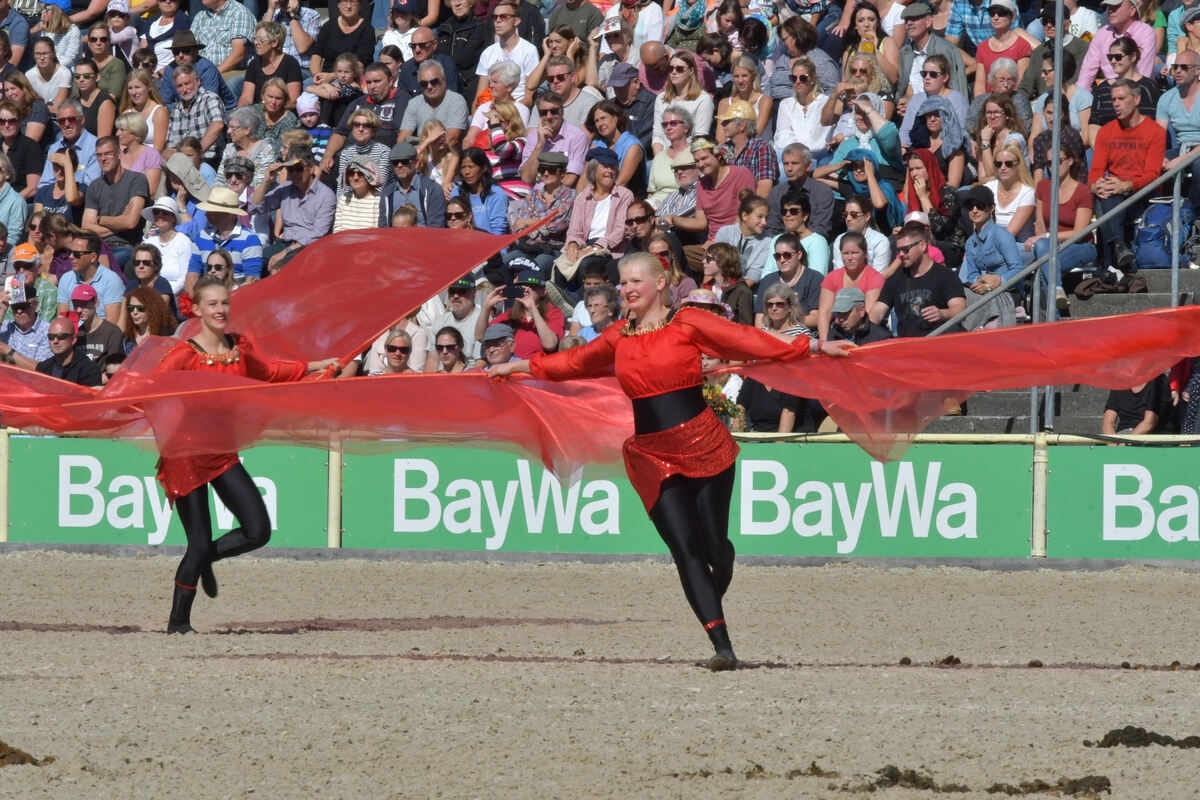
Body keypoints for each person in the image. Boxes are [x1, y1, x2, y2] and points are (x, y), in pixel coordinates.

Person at [488, 251, 853, 670]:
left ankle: (724, 559)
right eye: (622, 282)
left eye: (634, 281)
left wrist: (819, 347)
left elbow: (753, 342)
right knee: (685, 549)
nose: (625, 289)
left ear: (661, 283)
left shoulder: (689, 322)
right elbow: (571, 363)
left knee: (714, 545)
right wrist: (518, 366)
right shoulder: (618, 336)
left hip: (702, 443)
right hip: (651, 454)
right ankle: (722, 646)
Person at [154, 275, 337, 633]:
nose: (220, 309)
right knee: (198, 541)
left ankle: (205, 559)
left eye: (224, 303)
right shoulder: (183, 354)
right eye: (213, 304)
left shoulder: (239, 347)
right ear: (197, 309)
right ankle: (178, 623)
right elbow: (151, 387)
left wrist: (316, 366)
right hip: (186, 453)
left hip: (221, 452)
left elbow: (269, 372)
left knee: (258, 530)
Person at [1089, 78, 1167, 273]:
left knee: (1107, 202)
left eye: (1121, 99)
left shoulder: (1155, 131)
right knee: (1105, 196)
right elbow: (1096, 171)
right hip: (1115, 193)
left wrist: (1126, 185)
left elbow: (1152, 174)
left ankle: (1109, 263)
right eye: (1113, 99)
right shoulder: (1106, 132)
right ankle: (1119, 247)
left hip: (1143, 193)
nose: (1115, 104)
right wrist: (1096, 185)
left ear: (1137, 99)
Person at [248, 146, 334, 273]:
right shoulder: (285, 189)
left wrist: (286, 252)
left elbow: (318, 234)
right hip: (284, 243)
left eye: (298, 169)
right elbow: (255, 208)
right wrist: (267, 181)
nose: (294, 174)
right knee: (252, 264)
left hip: (309, 248)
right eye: (290, 170)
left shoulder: (326, 195)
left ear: (311, 168)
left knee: (278, 269)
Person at [871, 221, 964, 337]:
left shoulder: (945, 276)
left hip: (939, 341)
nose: (901, 254)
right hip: (908, 344)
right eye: (898, 250)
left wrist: (942, 313)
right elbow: (877, 312)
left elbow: (960, 308)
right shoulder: (895, 279)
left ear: (923, 246)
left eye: (905, 249)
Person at [562, 147, 632, 286]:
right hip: (584, 246)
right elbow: (575, 231)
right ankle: (564, 302)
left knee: (586, 266)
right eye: (604, 167)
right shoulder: (583, 197)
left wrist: (595, 248)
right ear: (593, 170)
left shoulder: (624, 195)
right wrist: (572, 245)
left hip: (609, 250)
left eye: (612, 167)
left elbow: (620, 230)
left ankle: (580, 300)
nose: (609, 171)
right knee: (560, 266)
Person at [957, 184, 1022, 329]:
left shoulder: (1001, 234)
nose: (974, 210)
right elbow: (972, 273)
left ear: (991, 208)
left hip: (1006, 291)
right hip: (982, 291)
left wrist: (999, 280)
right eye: (970, 206)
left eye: (980, 205)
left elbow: (1018, 269)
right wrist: (979, 281)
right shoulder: (970, 242)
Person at [82, 135, 149, 272]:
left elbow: (131, 222)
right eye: (99, 155)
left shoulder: (137, 180)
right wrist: (121, 223)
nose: (103, 158)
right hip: (99, 247)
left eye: (108, 153)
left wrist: (101, 219)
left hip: (127, 246)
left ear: (119, 154)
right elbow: (87, 228)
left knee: (103, 266)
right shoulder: (94, 186)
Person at [476, 269, 565, 357]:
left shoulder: (553, 313)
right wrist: (486, 307)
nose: (526, 290)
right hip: (510, 367)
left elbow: (550, 345)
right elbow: (480, 336)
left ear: (543, 292)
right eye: (522, 287)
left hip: (537, 367)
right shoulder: (511, 314)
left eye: (532, 287)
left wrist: (533, 310)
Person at [1077, 0, 1158, 88]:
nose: (1111, 10)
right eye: (1109, 6)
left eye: (1116, 6)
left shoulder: (1146, 32)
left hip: (1138, 90)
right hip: (1109, 90)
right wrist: (1080, 95)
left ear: (1132, 10)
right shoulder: (1102, 33)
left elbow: (1143, 73)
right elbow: (1087, 71)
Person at [517, 90, 587, 189]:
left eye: (554, 111)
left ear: (562, 111)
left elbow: (569, 179)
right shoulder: (533, 137)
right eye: (543, 112)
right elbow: (527, 178)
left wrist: (542, 188)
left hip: (562, 197)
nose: (549, 116)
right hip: (536, 197)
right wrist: (539, 145)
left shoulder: (577, 137)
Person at [774, 57, 833, 166]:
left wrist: (801, 153)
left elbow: (819, 140)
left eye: (803, 78)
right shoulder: (785, 104)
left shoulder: (825, 103)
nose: (797, 82)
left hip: (816, 156)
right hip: (789, 154)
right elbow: (783, 135)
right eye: (793, 78)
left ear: (813, 79)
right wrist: (798, 152)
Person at [396, 61, 469, 150]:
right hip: (420, 157)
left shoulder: (456, 101)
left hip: (447, 156)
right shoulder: (414, 103)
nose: (429, 86)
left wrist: (421, 150)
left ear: (444, 81)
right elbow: (402, 138)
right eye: (424, 84)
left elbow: (452, 140)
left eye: (434, 81)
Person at [164, 64, 227, 161]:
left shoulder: (209, 99)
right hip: (184, 165)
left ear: (197, 81)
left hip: (211, 160)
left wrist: (197, 154)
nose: (184, 90)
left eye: (187, 83)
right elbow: (170, 148)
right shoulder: (176, 110)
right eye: (179, 86)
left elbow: (218, 125)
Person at [56, 230, 123, 320]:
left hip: (101, 332)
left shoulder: (111, 281)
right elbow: (62, 320)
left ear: (93, 257)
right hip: (73, 332)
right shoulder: (66, 279)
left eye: (77, 254)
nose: (71, 257)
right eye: (70, 252)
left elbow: (112, 326)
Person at [37, 98, 100, 188]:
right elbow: (44, 184)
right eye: (62, 121)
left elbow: (90, 187)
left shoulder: (95, 147)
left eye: (71, 119)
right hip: (55, 200)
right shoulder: (54, 148)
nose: (66, 124)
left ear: (82, 120)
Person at [239, 20, 301, 107]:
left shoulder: (291, 64)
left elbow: (292, 101)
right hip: (258, 112)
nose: (256, 43)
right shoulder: (254, 64)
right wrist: (241, 112)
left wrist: (268, 109)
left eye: (261, 40)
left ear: (274, 42)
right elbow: (246, 97)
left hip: (282, 114)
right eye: (255, 39)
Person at [36, 314, 102, 385]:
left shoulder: (89, 370)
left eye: (61, 336)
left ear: (73, 339)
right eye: (51, 337)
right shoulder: (42, 369)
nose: (55, 341)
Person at [0, 285, 50, 368]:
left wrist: (6, 350)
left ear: (35, 305)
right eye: (15, 307)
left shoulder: (47, 332)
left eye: (24, 306)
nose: (19, 311)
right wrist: (1, 312)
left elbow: (40, 369)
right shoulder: (5, 326)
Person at [1102, 374, 1168, 434]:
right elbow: (1108, 422)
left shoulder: (1158, 381)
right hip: (1122, 436)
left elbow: (1149, 423)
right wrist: (1113, 445)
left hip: (1147, 437)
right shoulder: (1120, 382)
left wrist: (1126, 443)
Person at [115, 111, 161, 196]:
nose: (117, 134)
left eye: (122, 130)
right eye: (118, 129)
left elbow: (150, 191)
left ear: (135, 131)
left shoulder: (151, 155)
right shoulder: (118, 155)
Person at [333, 155, 382, 232]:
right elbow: (337, 230)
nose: (355, 178)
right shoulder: (343, 199)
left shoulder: (379, 200)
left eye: (360, 173)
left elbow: (378, 232)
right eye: (351, 173)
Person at [120, 285, 173, 355]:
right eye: (131, 308)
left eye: (140, 308)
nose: (134, 312)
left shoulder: (165, 336)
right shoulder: (126, 338)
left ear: (152, 309)